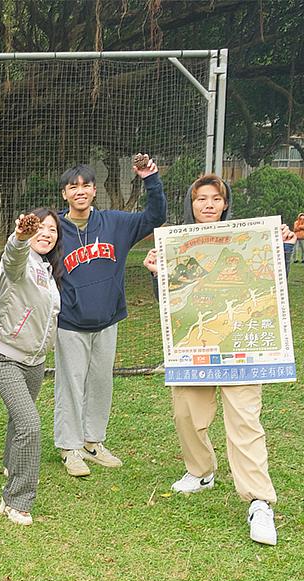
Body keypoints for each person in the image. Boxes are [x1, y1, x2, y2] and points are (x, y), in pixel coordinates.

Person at [143, 173, 294, 546]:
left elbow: (269, 286)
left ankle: (259, 502)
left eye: (214, 199)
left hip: (242, 348)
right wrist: (157, 274)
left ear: (225, 204)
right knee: (186, 414)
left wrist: (285, 250)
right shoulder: (178, 245)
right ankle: (201, 471)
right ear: (191, 204)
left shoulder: (249, 237)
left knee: (244, 421)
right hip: (194, 348)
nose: (207, 205)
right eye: (200, 199)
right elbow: (171, 304)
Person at [54, 156, 167, 477]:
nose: (80, 191)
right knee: (71, 384)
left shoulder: (115, 223)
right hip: (69, 322)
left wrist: (151, 178)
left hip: (107, 319)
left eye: (86, 185)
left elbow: (155, 216)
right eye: (73, 187)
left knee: (101, 383)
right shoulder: (55, 228)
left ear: (94, 190)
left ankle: (92, 442)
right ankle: (69, 447)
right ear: (64, 194)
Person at [0, 208, 62, 526]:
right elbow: (12, 257)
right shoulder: (19, 263)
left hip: (36, 361)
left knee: (20, 420)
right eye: (40, 228)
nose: (46, 233)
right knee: (30, 425)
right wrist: (19, 237)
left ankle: (11, 464)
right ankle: (16, 501)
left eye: (52, 229)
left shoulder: (46, 268)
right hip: (6, 355)